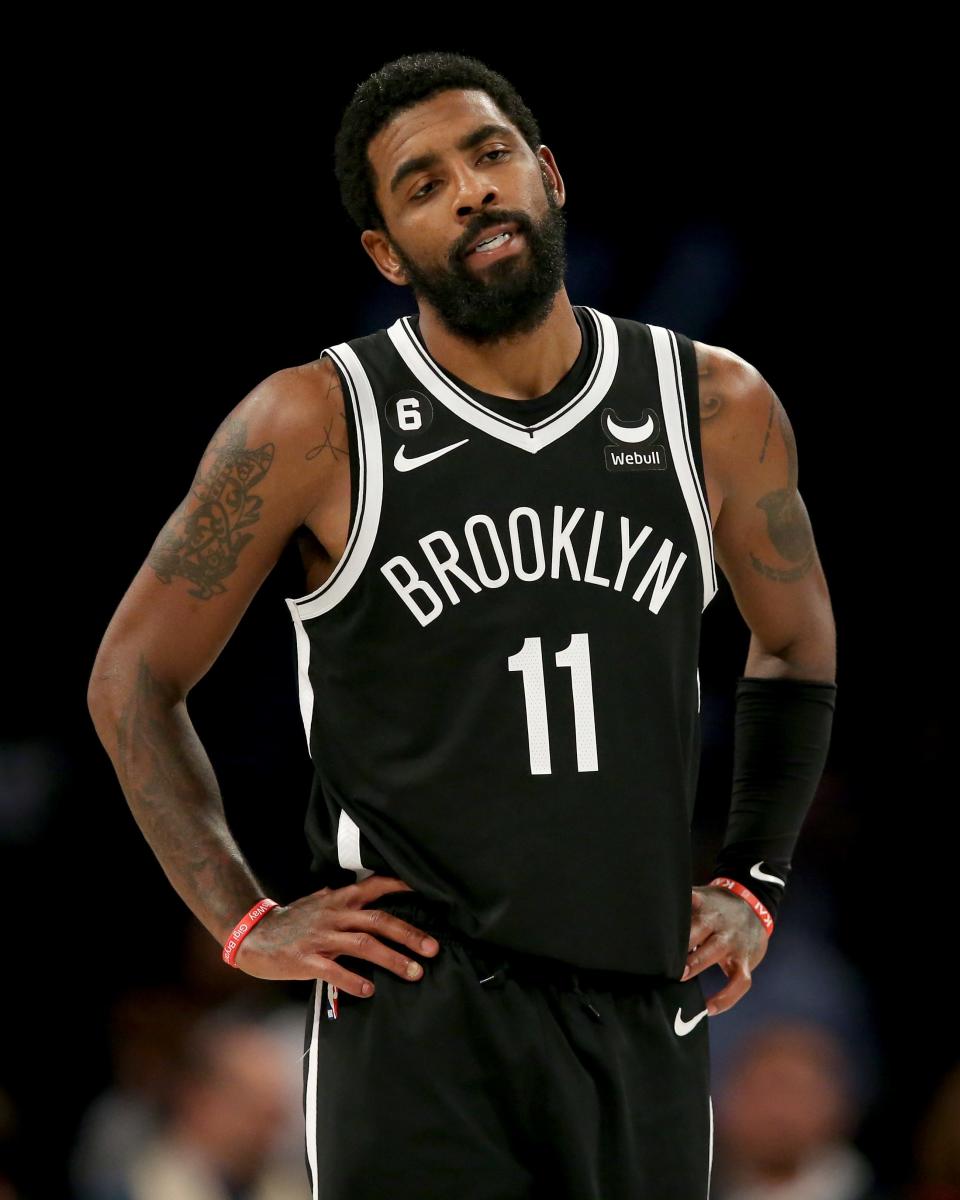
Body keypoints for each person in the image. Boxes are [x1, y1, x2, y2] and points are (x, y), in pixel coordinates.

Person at [87, 50, 837, 1200]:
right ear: (387, 254)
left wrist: (754, 881)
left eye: (489, 156)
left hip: (641, 1000)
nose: (471, 190)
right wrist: (241, 921)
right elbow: (132, 677)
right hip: (420, 1017)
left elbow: (794, 639)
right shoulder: (315, 422)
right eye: (423, 183)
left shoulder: (712, 403)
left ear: (547, 175)